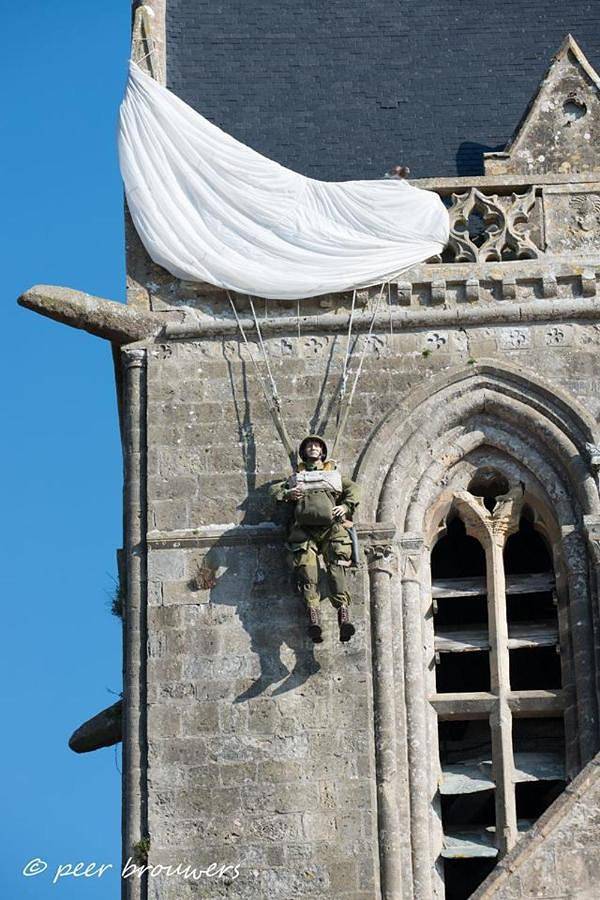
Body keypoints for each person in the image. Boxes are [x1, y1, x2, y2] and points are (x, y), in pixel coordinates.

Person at [270, 436, 360, 643]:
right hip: (304, 532)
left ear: (322, 452)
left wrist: (345, 506)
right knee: (308, 575)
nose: (313, 448)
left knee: (337, 571)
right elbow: (273, 491)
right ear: (304, 452)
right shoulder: (296, 477)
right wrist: (288, 493)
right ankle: (314, 619)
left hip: (332, 529)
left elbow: (354, 489)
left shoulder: (333, 475)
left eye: (317, 445)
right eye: (309, 445)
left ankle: (343, 617)